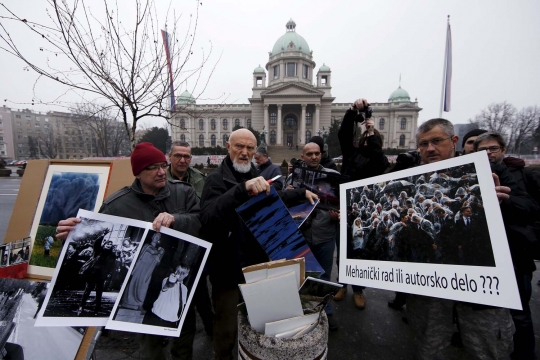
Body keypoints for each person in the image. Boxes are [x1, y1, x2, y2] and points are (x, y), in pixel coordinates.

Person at [388, 117, 538, 360]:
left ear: (453, 141)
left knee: (486, 347)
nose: (430, 149)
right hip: (431, 282)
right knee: (429, 345)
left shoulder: (489, 171)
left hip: (480, 281)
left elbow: (530, 207)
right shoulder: (411, 178)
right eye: (423, 144)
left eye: (436, 141)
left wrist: (503, 201)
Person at [56, 142, 200, 360]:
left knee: (183, 335)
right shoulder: (117, 205)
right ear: (138, 173)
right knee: (150, 343)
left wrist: (176, 219)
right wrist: (71, 234)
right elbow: (96, 234)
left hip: (179, 278)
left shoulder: (183, 192)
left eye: (162, 165)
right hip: (143, 282)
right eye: (153, 168)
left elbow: (201, 220)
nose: (162, 172)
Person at [199, 128, 317, 360]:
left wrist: (302, 193)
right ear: (227, 146)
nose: (244, 152)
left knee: (258, 325)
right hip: (227, 271)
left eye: (250, 148)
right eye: (239, 147)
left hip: (256, 265)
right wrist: (242, 190)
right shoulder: (215, 179)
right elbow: (208, 217)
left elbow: (274, 197)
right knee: (227, 329)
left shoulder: (257, 172)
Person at [474, 132, 539, 359]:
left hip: (515, 254)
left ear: (502, 149)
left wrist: (507, 200)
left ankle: (524, 354)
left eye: (492, 148)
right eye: (482, 150)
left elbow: (532, 208)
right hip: (487, 256)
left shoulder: (521, 175)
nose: (488, 153)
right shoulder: (472, 174)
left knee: (519, 312)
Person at [335, 98, 389, 309]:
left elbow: (378, 156)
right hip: (345, 210)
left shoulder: (378, 161)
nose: (366, 138)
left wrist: (372, 131)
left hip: (363, 213)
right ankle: (342, 284)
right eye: (365, 137)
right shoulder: (352, 155)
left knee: (359, 249)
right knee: (343, 249)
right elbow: (344, 134)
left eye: (370, 138)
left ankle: (358, 289)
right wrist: (351, 111)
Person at [286, 142, 342, 324]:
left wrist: (337, 216)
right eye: (309, 154)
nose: (314, 157)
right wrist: (287, 194)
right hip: (302, 234)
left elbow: (342, 205)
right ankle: (301, 310)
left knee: (325, 275)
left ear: (321, 154)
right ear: (303, 156)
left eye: (317, 153)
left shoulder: (333, 177)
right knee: (301, 275)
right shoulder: (293, 176)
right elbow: (285, 203)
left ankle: (327, 311)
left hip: (325, 234)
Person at [167, 141, 214, 337]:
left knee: (200, 289)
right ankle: (169, 329)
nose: (183, 160)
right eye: (178, 155)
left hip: (195, 243)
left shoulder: (200, 180)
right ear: (169, 157)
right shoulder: (161, 180)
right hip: (170, 246)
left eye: (187, 156)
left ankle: (210, 326)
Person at [121, 232, 165, 310]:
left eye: (158, 237)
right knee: (133, 284)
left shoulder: (157, 249)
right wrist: (160, 252)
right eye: (155, 236)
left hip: (147, 271)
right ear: (152, 237)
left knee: (143, 287)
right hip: (140, 268)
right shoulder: (147, 246)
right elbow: (153, 252)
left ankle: (139, 303)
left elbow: (158, 262)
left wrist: (161, 254)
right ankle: (127, 302)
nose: (156, 238)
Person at [77, 233, 115, 316]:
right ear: (104, 244)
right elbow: (96, 243)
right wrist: (103, 235)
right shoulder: (98, 251)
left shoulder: (112, 255)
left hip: (102, 274)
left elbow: (112, 266)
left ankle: (97, 307)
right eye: (108, 244)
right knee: (88, 289)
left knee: (99, 291)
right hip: (92, 272)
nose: (109, 245)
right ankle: (81, 306)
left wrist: (109, 273)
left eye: (110, 244)